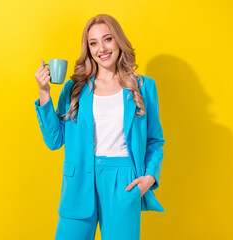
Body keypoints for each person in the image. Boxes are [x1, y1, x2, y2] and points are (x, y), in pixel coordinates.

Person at [34, 13, 165, 240]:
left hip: (123, 181)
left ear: (118, 41)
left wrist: (149, 177)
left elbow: (155, 140)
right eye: (93, 43)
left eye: (107, 39)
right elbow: (54, 140)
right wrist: (44, 93)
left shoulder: (144, 87)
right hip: (78, 181)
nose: (101, 48)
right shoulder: (74, 87)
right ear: (88, 49)